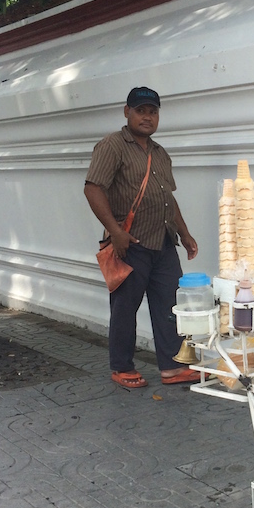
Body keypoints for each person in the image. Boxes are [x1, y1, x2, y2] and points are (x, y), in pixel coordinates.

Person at [85, 86, 202, 389]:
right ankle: (121, 367)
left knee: (169, 307)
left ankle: (173, 367)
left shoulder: (160, 154)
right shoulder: (112, 146)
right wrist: (116, 232)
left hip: (163, 242)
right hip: (130, 244)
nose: (147, 117)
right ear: (127, 112)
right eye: (141, 111)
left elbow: (168, 199)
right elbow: (93, 188)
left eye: (153, 111)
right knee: (125, 309)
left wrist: (185, 234)